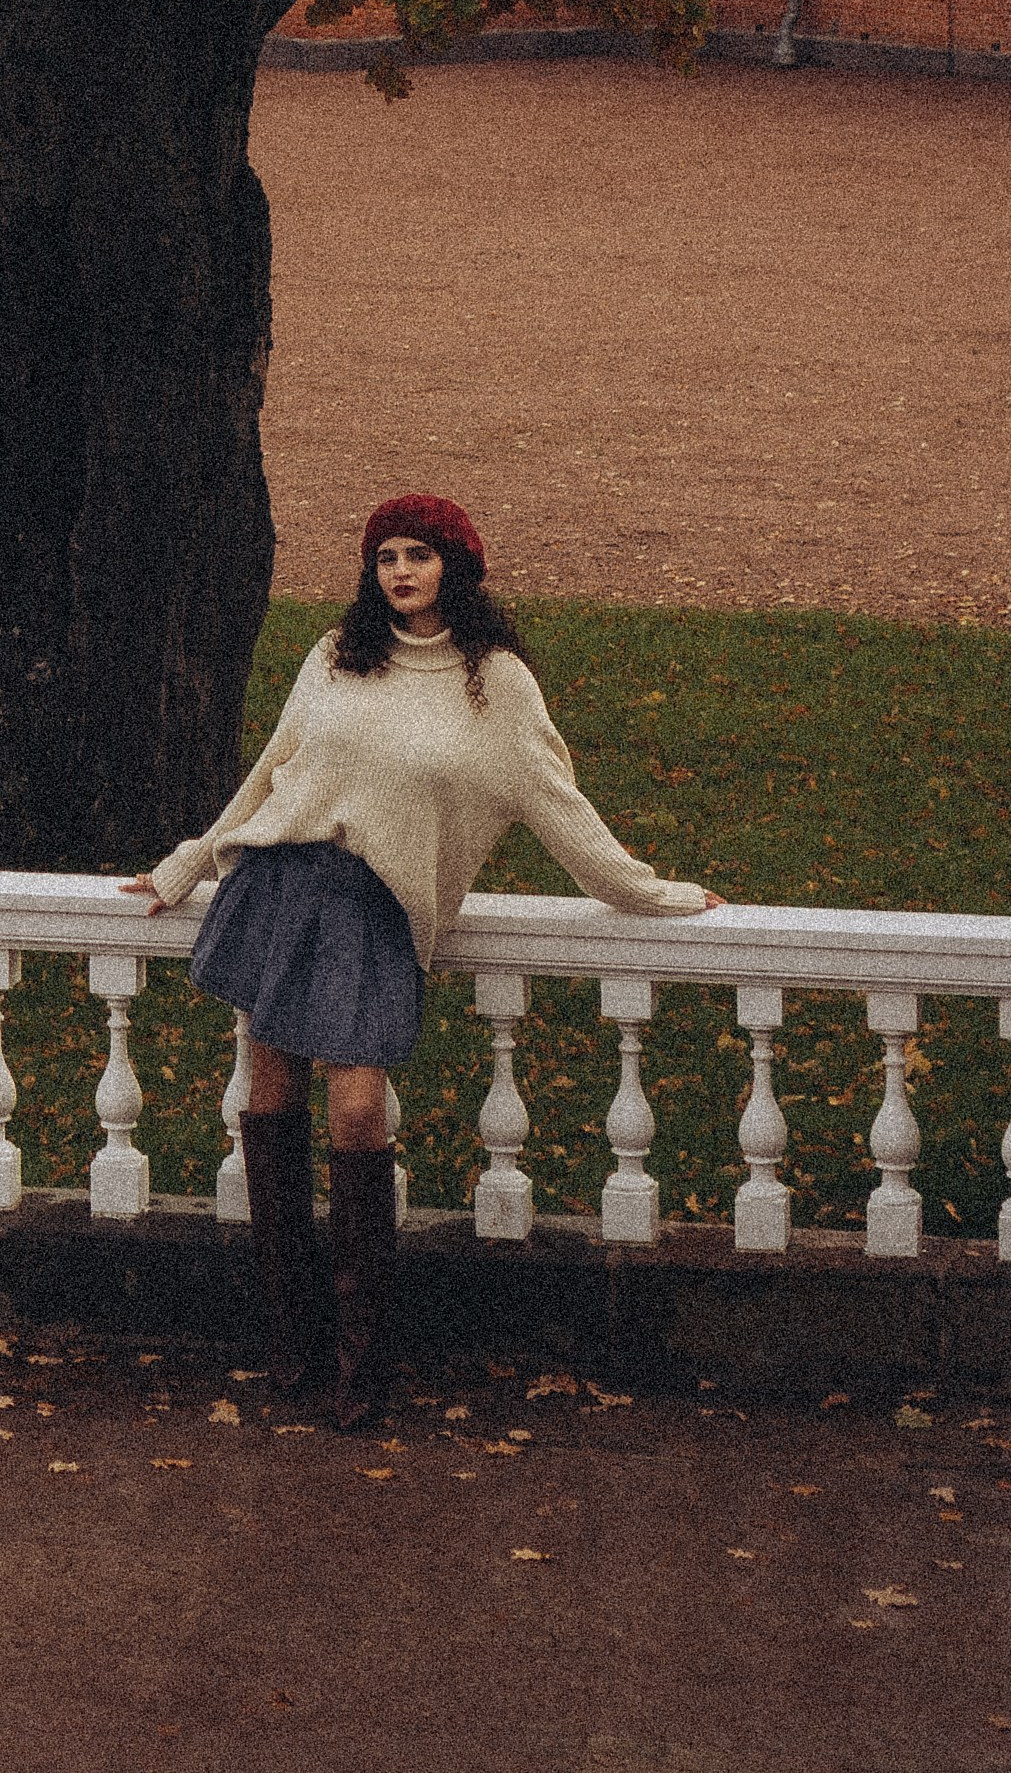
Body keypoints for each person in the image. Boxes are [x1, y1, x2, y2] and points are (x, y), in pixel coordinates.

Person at [121, 493, 723, 1429]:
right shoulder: (334, 656)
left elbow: (561, 809)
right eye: (386, 557)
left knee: (357, 1110)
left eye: (420, 555)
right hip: (280, 883)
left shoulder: (498, 684)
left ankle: (364, 1359)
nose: (400, 572)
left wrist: (657, 893)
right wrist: (185, 864)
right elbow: (271, 770)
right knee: (267, 1099)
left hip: (375, 908)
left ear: (457, 567)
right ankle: (295, 1345)